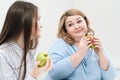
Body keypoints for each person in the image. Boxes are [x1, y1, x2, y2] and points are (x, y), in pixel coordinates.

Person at [46, 9, 116, 80]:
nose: (77, 26)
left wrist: (100, 54)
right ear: (65, 30)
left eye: (79, 21)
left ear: (86, 22)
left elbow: (111, 77)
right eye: (70, 25)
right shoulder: (59, 45)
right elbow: (53, 73)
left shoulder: (95, 43)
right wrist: (80, 54)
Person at [0, 1, 52, 80]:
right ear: (24, 21)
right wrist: (34, 75)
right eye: (37, 19)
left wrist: (41, 69)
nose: (41, 25)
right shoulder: (2, 56)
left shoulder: (30, 51)